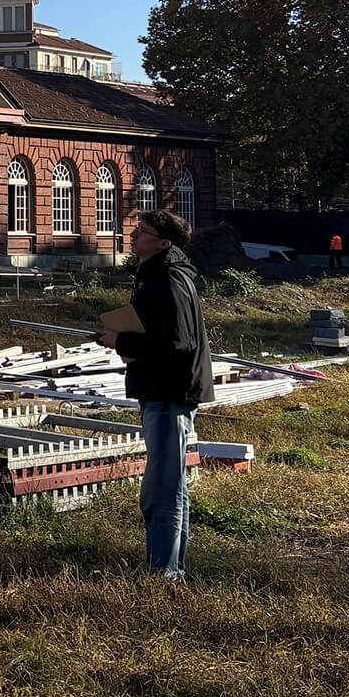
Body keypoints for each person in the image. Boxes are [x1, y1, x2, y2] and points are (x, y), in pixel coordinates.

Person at [99, 210, 212, 579]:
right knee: (166, 484)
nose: (132, 235)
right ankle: (170, 567)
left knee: (163, 488)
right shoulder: (157, 275)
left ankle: (164, 573)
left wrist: (123, 340)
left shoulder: (168, 278)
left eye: (141, 231)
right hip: (161, 389)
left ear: (164, 243)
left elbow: (178, 342)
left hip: (168, 393)